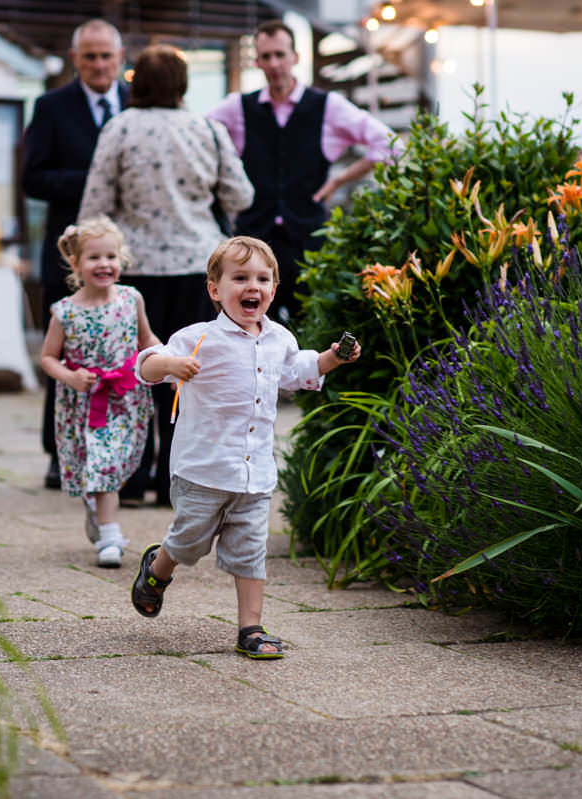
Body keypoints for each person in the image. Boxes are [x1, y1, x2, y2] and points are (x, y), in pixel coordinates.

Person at [129, 236, 360, 658]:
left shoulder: (279, 339)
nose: (252, 286)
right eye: (240, 278)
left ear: (273, 289)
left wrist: (331, 358)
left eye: (262, 278)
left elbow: (298, 371)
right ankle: (158, 569)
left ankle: (250, 629)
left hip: (255, 475)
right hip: (202, 469)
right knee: (189, 543)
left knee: (251, 551)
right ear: (215, 290)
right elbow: (144, 366)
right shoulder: (198, 338)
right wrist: (171, 365)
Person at [78, 43, 254, 507]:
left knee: (136, 370)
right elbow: (241, 195)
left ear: (137, 83)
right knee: (188, 373)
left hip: (137, 270)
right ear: (182, 85)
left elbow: (94, 203)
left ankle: (134, 478)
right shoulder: (207, 130)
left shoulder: (119, 128)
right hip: (197, 265)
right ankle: (181, 478)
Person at [206, 19, 402, 324]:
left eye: (280, 55)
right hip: (252, 242)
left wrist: (339, 179)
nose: (274, 64)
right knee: (245, 328)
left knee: (311, 325)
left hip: (308, 240)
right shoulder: (237, 107)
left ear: (295, 57)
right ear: (256, 61)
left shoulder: (328, 106)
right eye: (266, 56)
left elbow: (389, 144)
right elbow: (197, 136)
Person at [22, 19, 130, 492]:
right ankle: (56, 453)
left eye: (107, 56)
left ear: (120, 58)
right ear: (75, 60)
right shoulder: (50, 107)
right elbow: (33, 178)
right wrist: (95, 178)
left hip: (123, 254)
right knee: (63, 355)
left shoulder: (137, 103)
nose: (100, 65)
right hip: (69, 255)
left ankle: (118, 454)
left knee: (122, 359)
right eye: (91, 57)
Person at [38, 216, 160, 568]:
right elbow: (47, 357)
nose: (104, 264)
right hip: (85, 401)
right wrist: (71, 377)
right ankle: (110, 534)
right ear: (75, 264)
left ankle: (97, 510)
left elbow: (145, 339)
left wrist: (163, 355)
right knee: (101, 464)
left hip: (126, 397)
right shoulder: (65, 312)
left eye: (111, 256)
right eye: (94, 257)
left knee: (116, 465)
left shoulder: (130, 299)